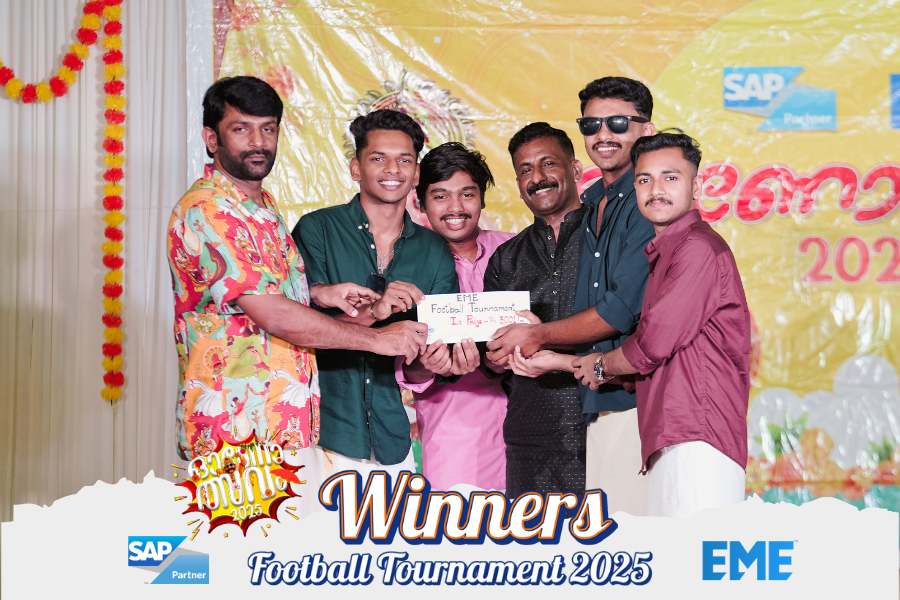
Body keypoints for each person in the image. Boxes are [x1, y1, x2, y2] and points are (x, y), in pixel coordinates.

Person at [168, 77, 427, 461]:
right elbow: (273, 314)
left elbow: (261, 295)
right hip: (234, 429)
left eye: (267, 129)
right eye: (241, 129)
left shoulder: (261, 207)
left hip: (281, 424)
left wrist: (318, 293)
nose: (258, 142)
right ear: (211, 139)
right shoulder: (209, 209)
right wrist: (378, 340)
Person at [494, 77, 656, 514]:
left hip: (622, 405)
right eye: (592, 125)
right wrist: (496, 350)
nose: (603, 134)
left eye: (617, 122)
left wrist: (538, 335)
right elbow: (497, 351)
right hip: (552, 425)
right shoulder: (597, 206)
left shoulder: (641, 205)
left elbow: (620, 311)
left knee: (623, 540)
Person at [577, 132, 750, 518]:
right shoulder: (666, 251)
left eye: (670, 177)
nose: (656, 190)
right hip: (673, 433)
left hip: (697, 436)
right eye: (645, 179)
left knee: (691, 552)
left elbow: (652, 344)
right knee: (673, 553)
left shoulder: (697, 248)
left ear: (696, 186)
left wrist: (602, 365)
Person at [292, 110, 459, 480]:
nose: (392, 170)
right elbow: (297, 328)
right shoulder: (317, 229)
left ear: (417, 173)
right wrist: (376, 312)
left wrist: (444, 358)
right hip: (318, 433)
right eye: (378, 158)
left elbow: (434, 352)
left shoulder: (433, 249)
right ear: (356, 168)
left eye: (404, 160)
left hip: (392, 438)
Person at [395, 142, 513, 491]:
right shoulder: (406, 267)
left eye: (467, 194)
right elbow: (403, 363)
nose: (456, 208)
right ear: (420, 202)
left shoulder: (517, 249)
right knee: (462, 522)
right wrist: (426, 365)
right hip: (454, 435)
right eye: (441, 196)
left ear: (482, 199)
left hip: (530, 426)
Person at [483, 122, 587, 498]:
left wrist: (540, 337)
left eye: (548, 164)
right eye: (525, 169)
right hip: (530, 440)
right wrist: (495, 354)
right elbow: (491, 359)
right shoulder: (505, 259)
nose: (538, 178)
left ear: (575, 169)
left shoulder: (608, 240)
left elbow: (628, 323)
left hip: (603, 427)